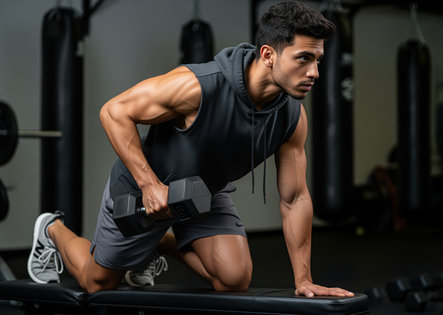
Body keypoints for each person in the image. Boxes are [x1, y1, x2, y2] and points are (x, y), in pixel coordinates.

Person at [27, 1, 354, 298]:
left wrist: (304, 279)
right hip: (144, 188)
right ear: (268, 55)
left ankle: (159, 242)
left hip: (202, 193)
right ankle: (52, 228)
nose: (314, 73)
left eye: (318, 60)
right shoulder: (199, 86)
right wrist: (149, 185)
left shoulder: (292, 117)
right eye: (304, 59)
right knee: (97, 283)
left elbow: (295, 197)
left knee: (234, 278)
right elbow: (114, 112)